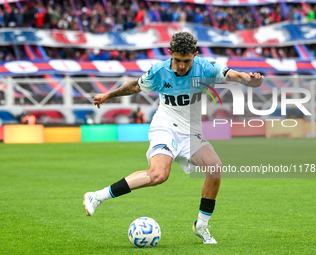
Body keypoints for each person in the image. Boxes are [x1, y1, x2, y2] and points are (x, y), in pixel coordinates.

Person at [84, 32, 264, 244]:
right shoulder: (159, 71)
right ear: (170, 54)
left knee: (215, 168)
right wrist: (108, 95)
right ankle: (97, 196)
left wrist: (252, 81)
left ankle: (201, 226)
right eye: (177, 60)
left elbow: (236, 76)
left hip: (192, 133)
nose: (181, 66)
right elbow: (135, 85)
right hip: (165, 127)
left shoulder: (206, 68)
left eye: (186, 61)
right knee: (159, 175)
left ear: (195, 56)